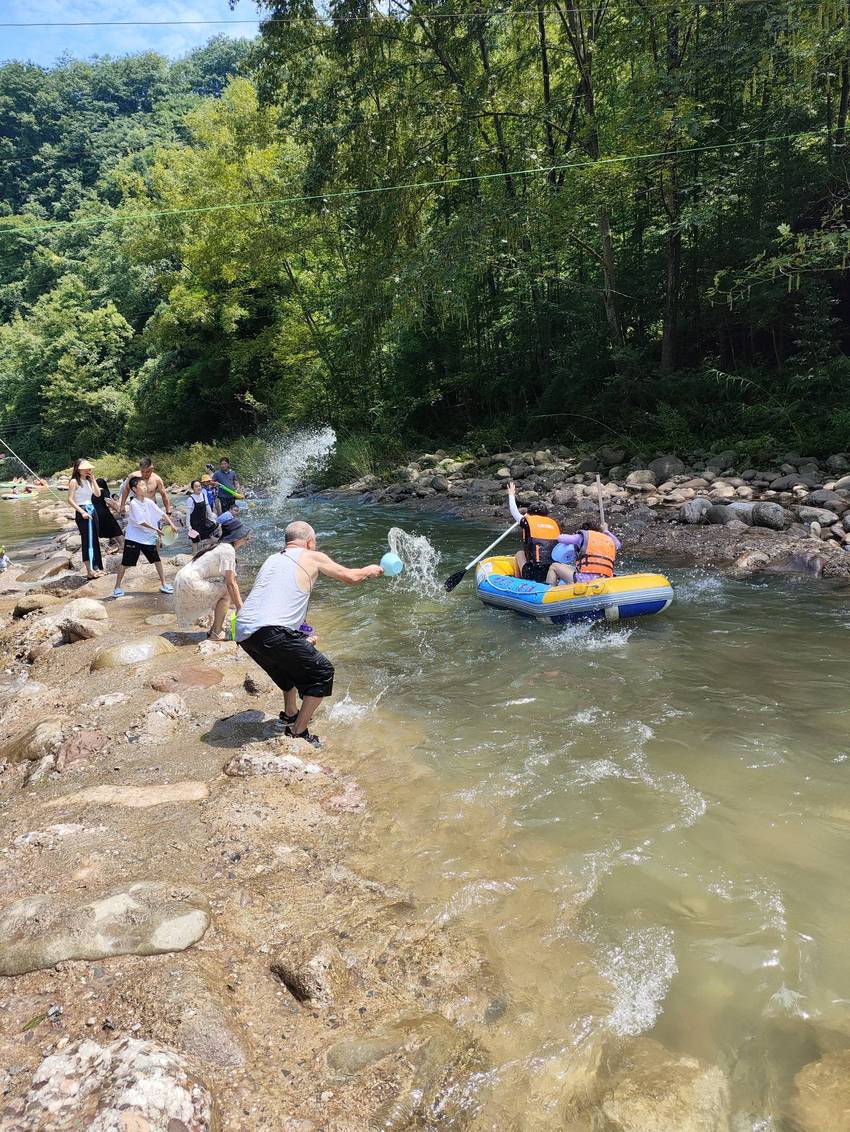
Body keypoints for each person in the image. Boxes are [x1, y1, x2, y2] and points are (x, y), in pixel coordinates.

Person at [236, 520, 383, 748]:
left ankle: (290, 712)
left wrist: (300, 637)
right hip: (271, 631)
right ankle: (298, 731)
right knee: (322, 671)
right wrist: (370, 570)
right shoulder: (312, 556)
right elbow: (350, 577)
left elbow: (275, 601)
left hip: (244, 633)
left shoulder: (273, 559)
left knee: (289, 667)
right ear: (310, 542)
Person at [174, 521, 250, 638]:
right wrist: (240, 608)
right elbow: (231, 583)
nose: (247, 538)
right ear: (236, 536)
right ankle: (217, 632)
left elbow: (230, 580)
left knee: (222, 590)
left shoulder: (221, 547)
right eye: (245, 535)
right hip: (189, 581)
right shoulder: (228, 550)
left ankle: (214, 629)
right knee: (226, 593)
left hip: (182, 579)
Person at [113, 476, 178, 599]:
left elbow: (161, 513)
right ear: (134, 489)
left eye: (145, 485)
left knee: (157, 560)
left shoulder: (148, 502)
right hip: (134, 538)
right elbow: (141, 522)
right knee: (126, 563)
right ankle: (117, 587)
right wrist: (156, 529)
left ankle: (164, 584)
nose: (145, 487)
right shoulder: (133, 503)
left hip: (147, 537)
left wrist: (172, 524)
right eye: (141, 485)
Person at [506, 481, 562, 583]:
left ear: (530, 513)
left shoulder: (527, 521)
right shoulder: (553, 524)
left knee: (519, 554)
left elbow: (514, 512)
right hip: (550, 572)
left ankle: (518, 581)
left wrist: (511, 495)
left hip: (533, 573)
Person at [546, 520, 621, 586]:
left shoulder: (582, 537)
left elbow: (560, 538)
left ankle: (549, 592)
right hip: (605, 578)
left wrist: (575, 539)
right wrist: (606, 531)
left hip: (585, 580)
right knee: (568, 567)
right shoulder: (610, 540)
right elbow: (618, 545)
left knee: (554, 566)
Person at [68, 459, 104, 579]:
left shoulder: (88, 481)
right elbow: (70, 500)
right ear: (79, 469)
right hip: (82, 511)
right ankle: (89, 570)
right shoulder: (74, 482)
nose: (89, 470)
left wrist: (93, 480)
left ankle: (98, 567)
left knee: (94, 540)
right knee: (87, 540)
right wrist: (82, 511)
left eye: (89, 469)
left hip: (92, 510)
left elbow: (98, 494)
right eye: (86, 468)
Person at [93, 477, 123, 548]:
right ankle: (122, 545)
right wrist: (117, 510)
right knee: (115, 528)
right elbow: (108, 501)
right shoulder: (104, 491)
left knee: (100, 528)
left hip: (94, 513)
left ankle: (102, 545)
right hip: (104, 512)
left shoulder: (93, 492)